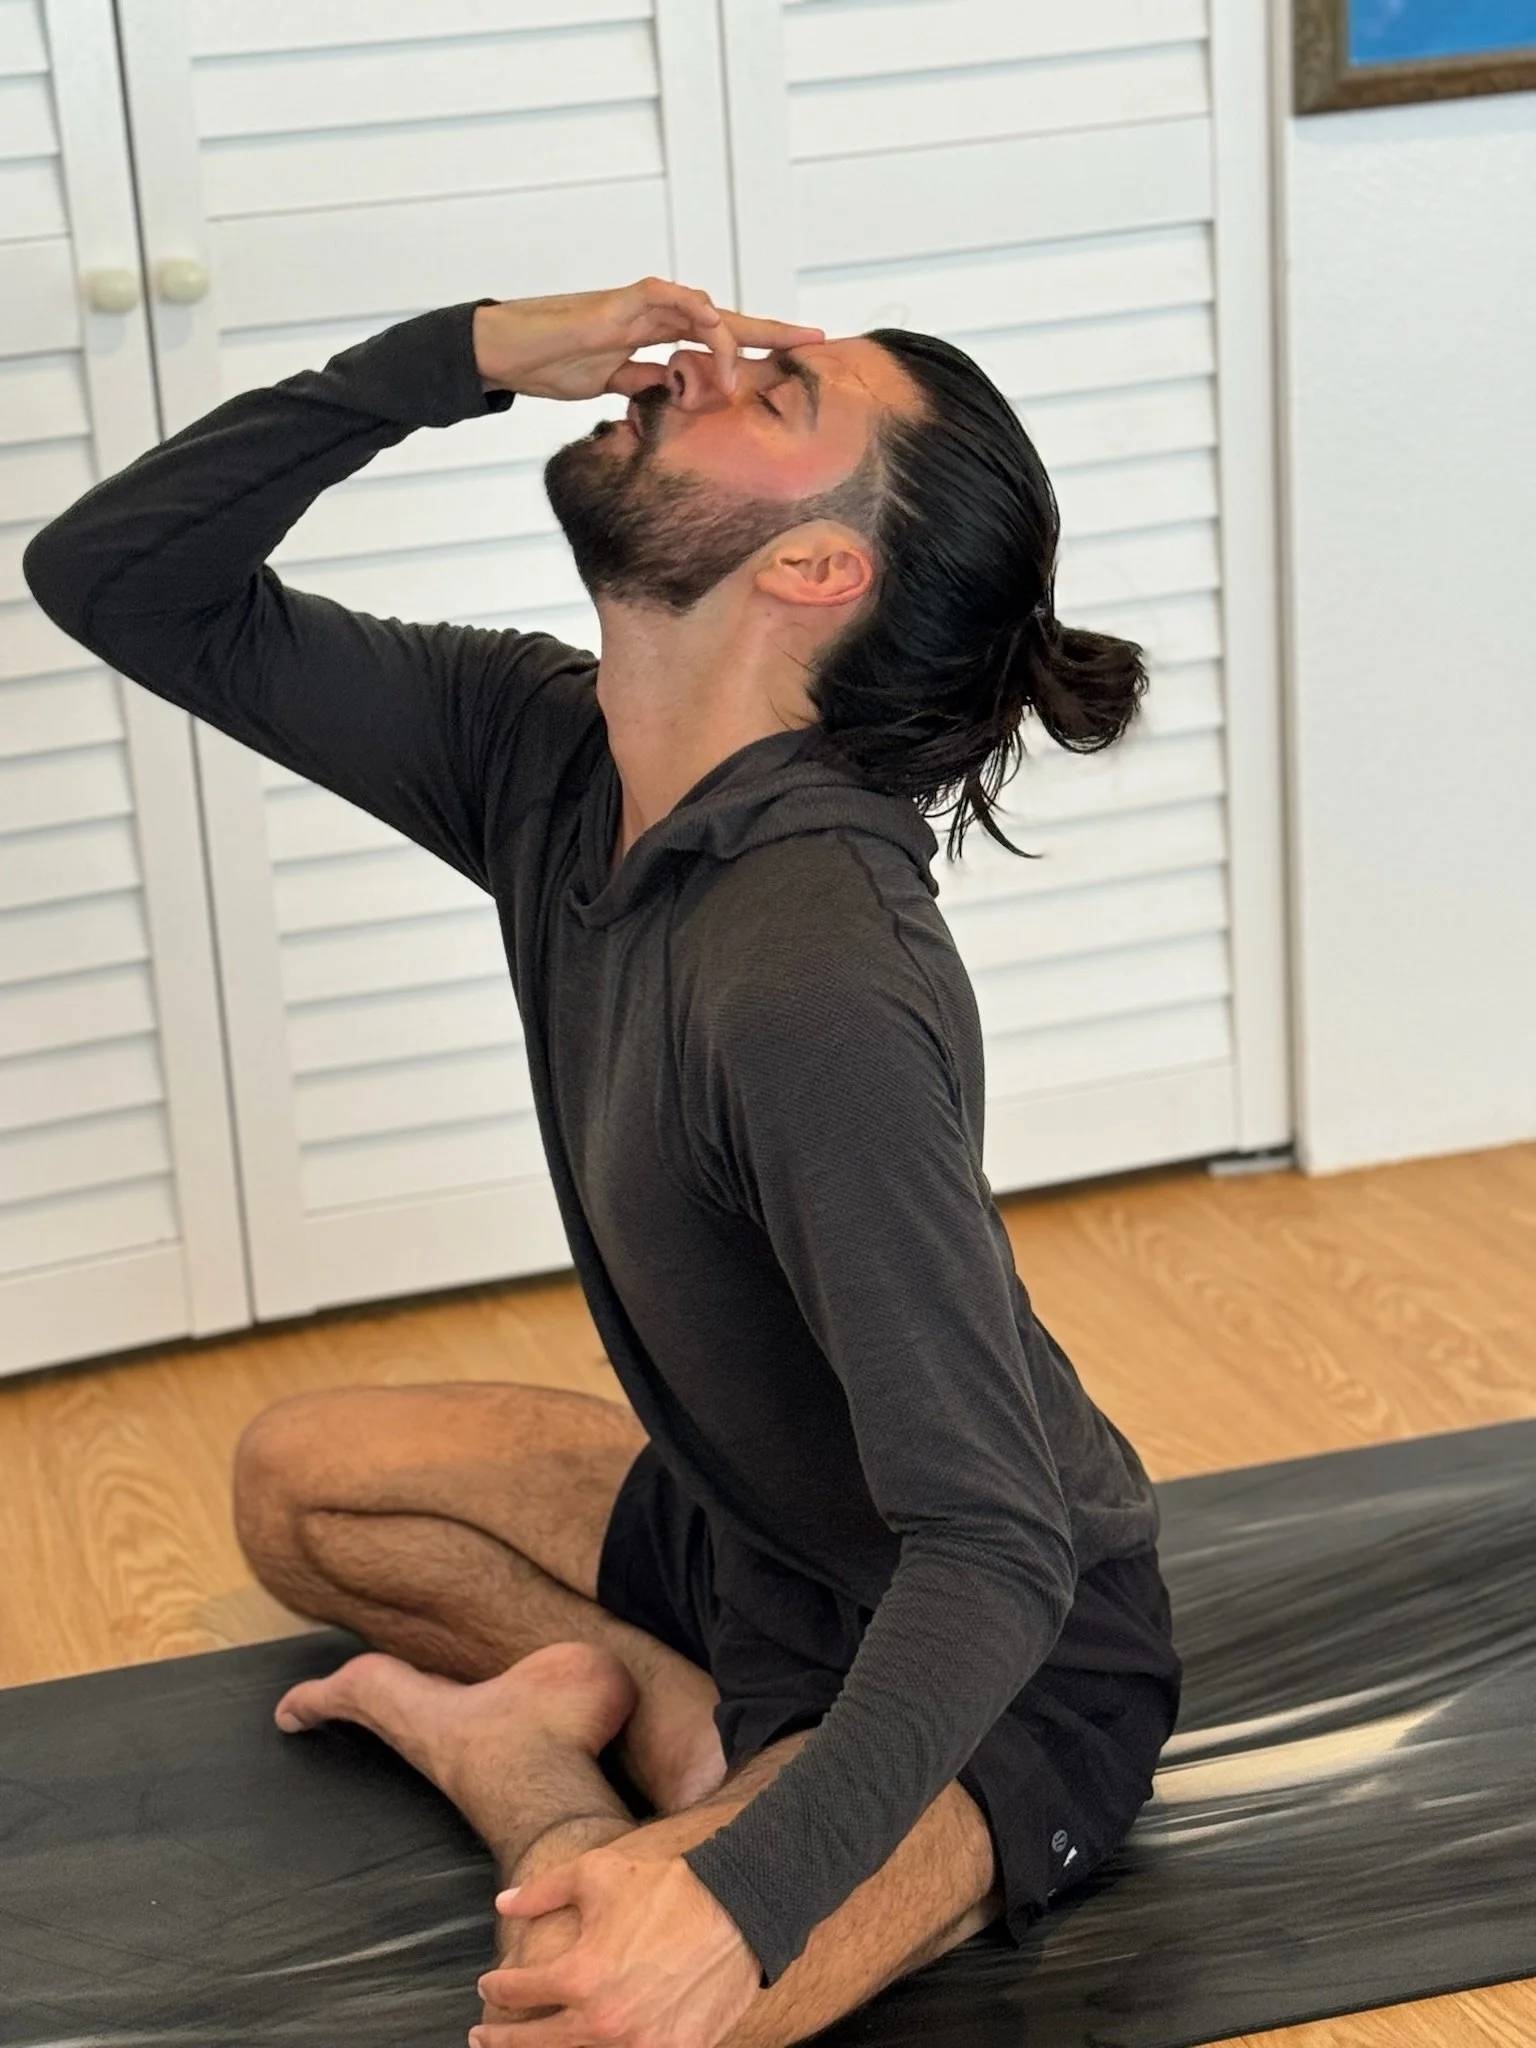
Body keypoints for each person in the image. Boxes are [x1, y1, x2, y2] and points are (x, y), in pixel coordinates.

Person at [22, 277, 1183, 2048]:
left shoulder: (818, 974)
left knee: (595, 2004)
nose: (706, 359)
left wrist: (737, 1898)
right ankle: (643, 1711)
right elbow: (116, 579)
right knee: (302, 1485)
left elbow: (997, 1542)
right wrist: (460, 356)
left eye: (776, 389)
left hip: (997, 1667)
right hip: (750, 1541)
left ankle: (542, 1768)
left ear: (812, 571)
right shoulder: (545, 751)